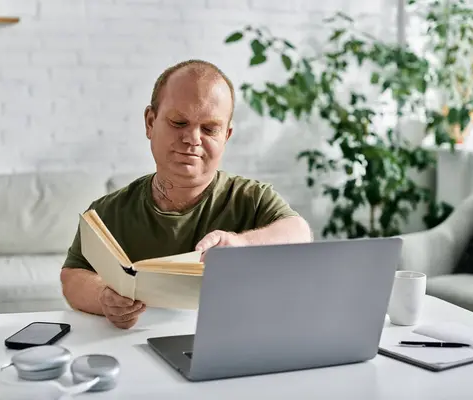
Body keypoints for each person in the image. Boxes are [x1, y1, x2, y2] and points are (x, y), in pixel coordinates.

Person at [60, 59, 312, 329]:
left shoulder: (251, 198)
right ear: (150, 122)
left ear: (226, 136)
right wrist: (103, 298)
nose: (192, 138)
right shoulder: (108, 210)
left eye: (209, 129)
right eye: (179, 122)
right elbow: (72, 277)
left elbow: (299, 232)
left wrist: (241, 245)